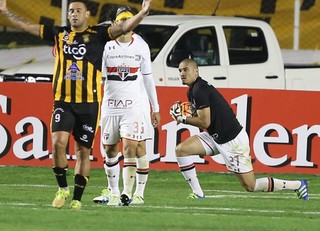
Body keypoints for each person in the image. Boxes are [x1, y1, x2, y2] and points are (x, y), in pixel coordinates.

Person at [0, 0, 152, 210]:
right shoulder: (59, 34)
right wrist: (5, 12)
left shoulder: (99, 34)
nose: (73, 14)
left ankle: (77, 199)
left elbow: (124, 27)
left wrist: (142, 13)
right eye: (71, 11)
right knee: (57, 143)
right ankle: (62, 187)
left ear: (87, 14)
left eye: (78, 11)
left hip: (89, 103)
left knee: (82, 152)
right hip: (64, 101)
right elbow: (26, 26)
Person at [169, 58, 309, 200]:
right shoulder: (192, 91)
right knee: (181, 150)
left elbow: (205, 122)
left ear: (196, 71)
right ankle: (198, 194)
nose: (182, 73)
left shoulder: (200, 89)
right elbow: (203, 119)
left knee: (251, 186)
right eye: (180, 70)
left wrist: (182, 119)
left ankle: (297, 185)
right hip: (214, 136)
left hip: (233, 140)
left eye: (186, 70)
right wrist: (187, 113)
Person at [93, 6, 160, 206]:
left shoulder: (140, 45)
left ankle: (130, 193)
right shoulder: (105, 45)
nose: (126, 24)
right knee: (110, 150)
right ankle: (113, 192)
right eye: (121, 20)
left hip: (134, 105)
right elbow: (99, 78)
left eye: (128, 20)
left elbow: (148, 79)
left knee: (133, 147)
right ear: (114, 23)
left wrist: (154, 107)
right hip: (110, 105)